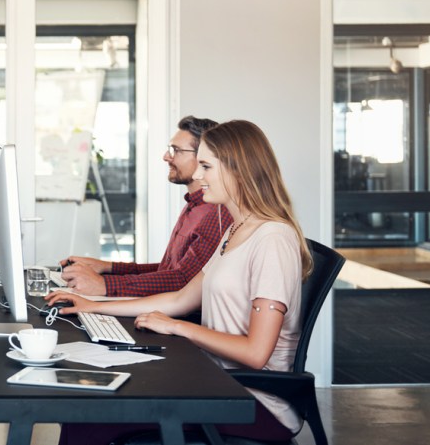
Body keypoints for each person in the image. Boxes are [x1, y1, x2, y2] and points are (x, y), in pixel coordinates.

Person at [46, 119, 313, 443]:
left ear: (238, 170)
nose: (197, 176)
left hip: (253, 403)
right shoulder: (235, 231)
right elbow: (180, 299)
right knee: (87, 406)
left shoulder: (272, 239)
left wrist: (177, 327)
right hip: (211, 381)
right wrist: (92, 305)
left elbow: (257, 353)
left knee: (87, 420)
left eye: (206, 166)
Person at [61, 115, 232, 297]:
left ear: (203, 156)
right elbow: (167, 271)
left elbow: (182, 281)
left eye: (176, 150)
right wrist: (107, 267)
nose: (166, 156)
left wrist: (105, 285)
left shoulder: (217, 212)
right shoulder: (193, 206)